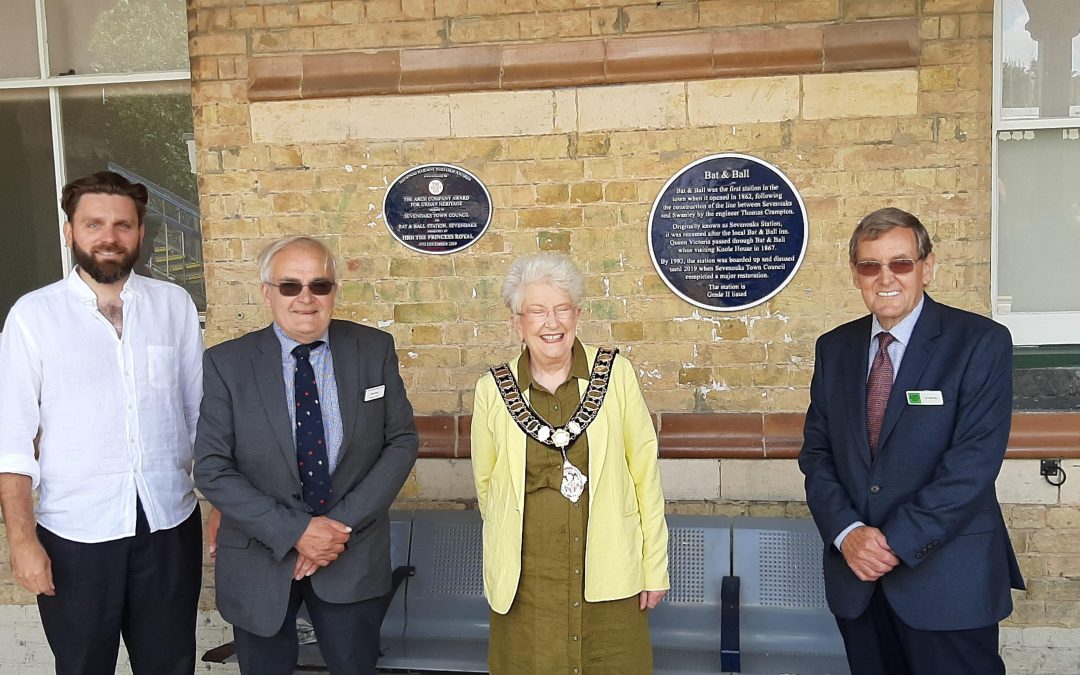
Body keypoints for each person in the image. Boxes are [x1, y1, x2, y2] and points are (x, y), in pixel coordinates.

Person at [799, 207, 1024, 675]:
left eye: (900, 263)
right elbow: (817, 455)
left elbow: (972, 466)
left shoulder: (980, 342)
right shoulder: (833, 348)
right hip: (858, 581)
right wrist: (848, 535)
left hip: (948, 583)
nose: (886, 278)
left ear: (927, 266)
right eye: (870, 265)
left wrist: (895, 542)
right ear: (855, 273)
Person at [0, 170, 204, 674]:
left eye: (122, 225)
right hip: (75, 535)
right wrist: (23, 541)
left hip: (168, 524)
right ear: (70, 231)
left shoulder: (173, 306)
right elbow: (12, 438)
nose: (109, 237)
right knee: (84, 665)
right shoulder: (33, 316)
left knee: (171, 664)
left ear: (139, 233)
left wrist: (217, 504)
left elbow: (201, 416)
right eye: (94, 224)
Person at [194, 235, 418, 675]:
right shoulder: (226, 363)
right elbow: (213, 468)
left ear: (334, 290)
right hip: (259, 557)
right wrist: (297, 532)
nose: (305, 299)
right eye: (290, 286)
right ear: (267, 292)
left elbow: (401, 442)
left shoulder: (373, 349)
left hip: (350, 555)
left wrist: (336, 529)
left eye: (319, 285)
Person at [471, 252, 670, 675]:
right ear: (516, 322)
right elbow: (487, 487)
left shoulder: (615, 375)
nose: (552, 323)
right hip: (527, 583)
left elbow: (644, 477)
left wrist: (653, 568)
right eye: (537, 311)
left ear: (578, 315)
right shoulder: (492, 389)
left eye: (563, 309)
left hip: (611, 574)